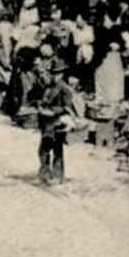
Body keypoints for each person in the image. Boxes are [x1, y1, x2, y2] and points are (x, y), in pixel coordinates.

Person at [28, 55, 74, 185]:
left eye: (58, 74)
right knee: (44, 148)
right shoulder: (47, 86)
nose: (55, 76)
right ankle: (45, 171)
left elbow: (66, 107)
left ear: (62, 74)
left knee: (56, 147)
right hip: (45, 120)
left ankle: (58, 174)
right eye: (53, 73)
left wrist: (52, 111)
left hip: (56, 121)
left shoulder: (65, 89)